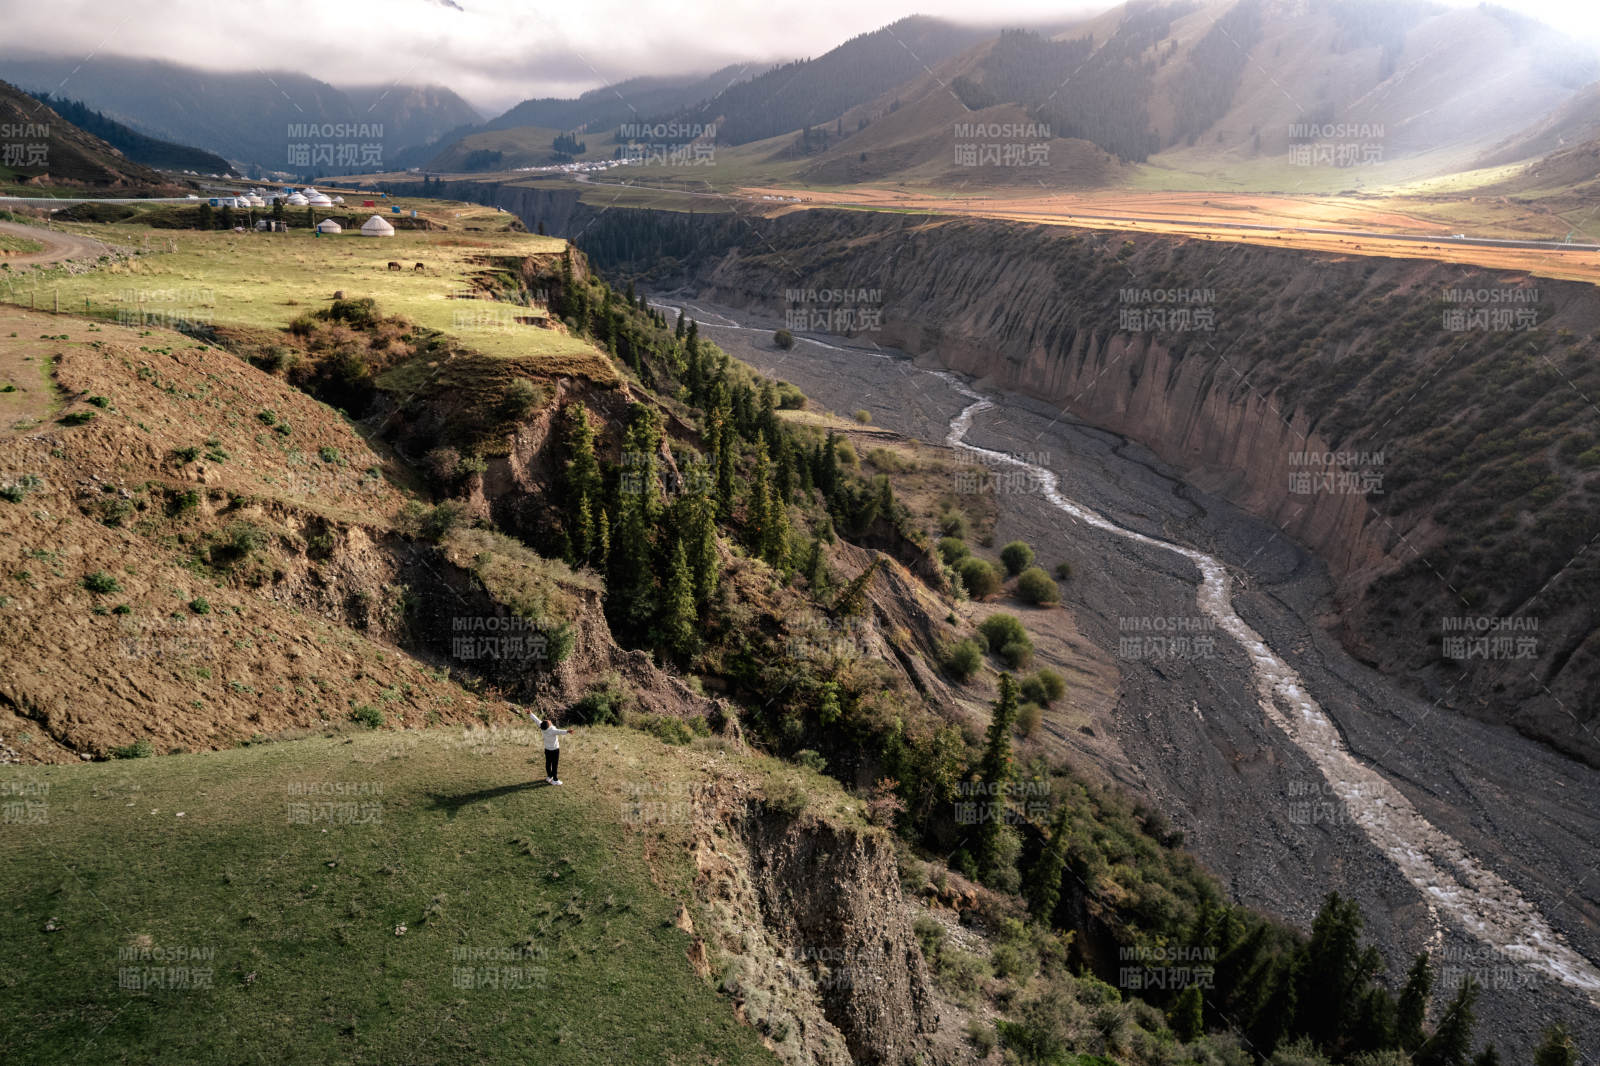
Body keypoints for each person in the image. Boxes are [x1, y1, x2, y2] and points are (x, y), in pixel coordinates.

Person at [538, 716, 570, 785]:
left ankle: (549, 777)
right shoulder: (552, 730)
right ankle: (555, 780)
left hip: (547, 749)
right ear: (549, 725)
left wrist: (530, 713)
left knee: (548, 763)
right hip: (555, 750)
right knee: (554, 764)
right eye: (548, 721)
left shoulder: (543, 727)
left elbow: (536, 720)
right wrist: (568, 731)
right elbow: (560, 731)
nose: (549, 720)